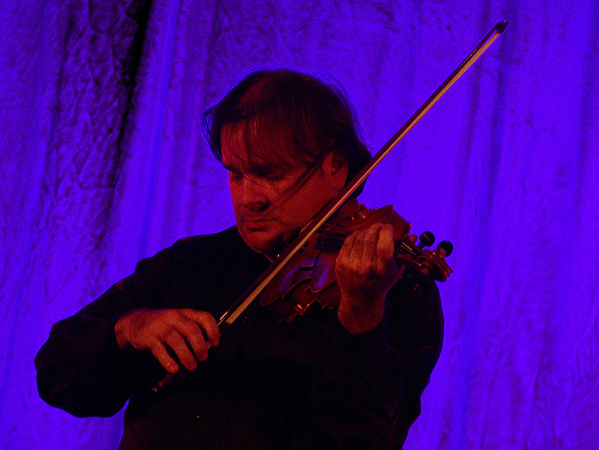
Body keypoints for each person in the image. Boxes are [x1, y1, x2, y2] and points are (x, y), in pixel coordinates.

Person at [35, 69, 443, 450]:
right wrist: (127, 330)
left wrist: (362, 314)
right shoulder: (189, 262)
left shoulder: (397, 290)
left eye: (270, 174)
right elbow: (58, 378)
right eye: (236, 174)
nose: (248, 199)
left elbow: (365, 439)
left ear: (336, 167)